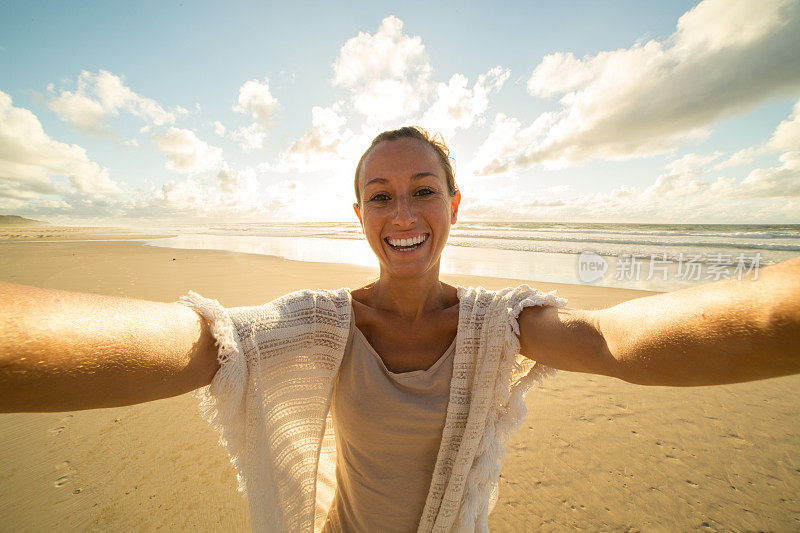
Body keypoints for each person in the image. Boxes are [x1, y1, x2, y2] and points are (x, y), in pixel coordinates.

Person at [1, 126, 799, 533]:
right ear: (359, 217)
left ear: (454, 206)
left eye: (423, 190)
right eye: (380, 197)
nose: (403, 213)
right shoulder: (319, 325)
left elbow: (610, 341)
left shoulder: (496, 327)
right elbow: (201, 344)